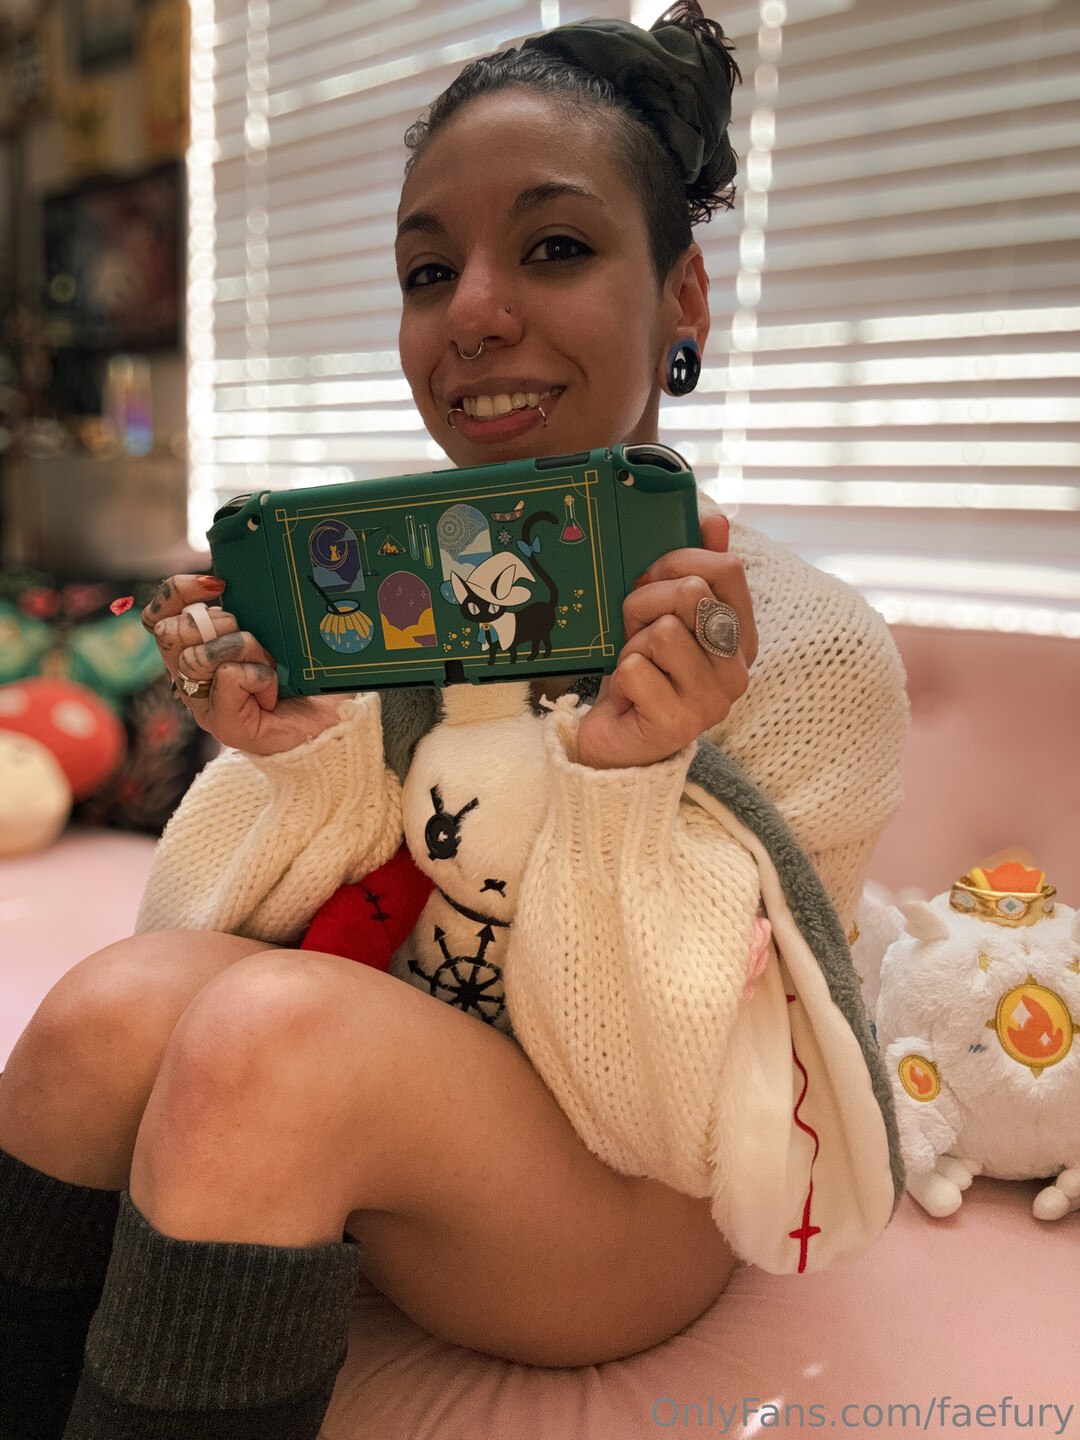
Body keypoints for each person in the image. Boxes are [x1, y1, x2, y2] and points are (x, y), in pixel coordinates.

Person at [0, 6, 909, 1439]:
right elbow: (188, 952)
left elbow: (661, 1112)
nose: (472, 312)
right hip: (397, 1100)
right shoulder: (388, 599)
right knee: (100, 1013)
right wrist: (294, 758)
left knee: (272, 1041)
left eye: (555, 248)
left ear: (683, 297)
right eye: (430, 271)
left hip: (633, 1198)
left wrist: (623, 781)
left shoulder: (809, 651)